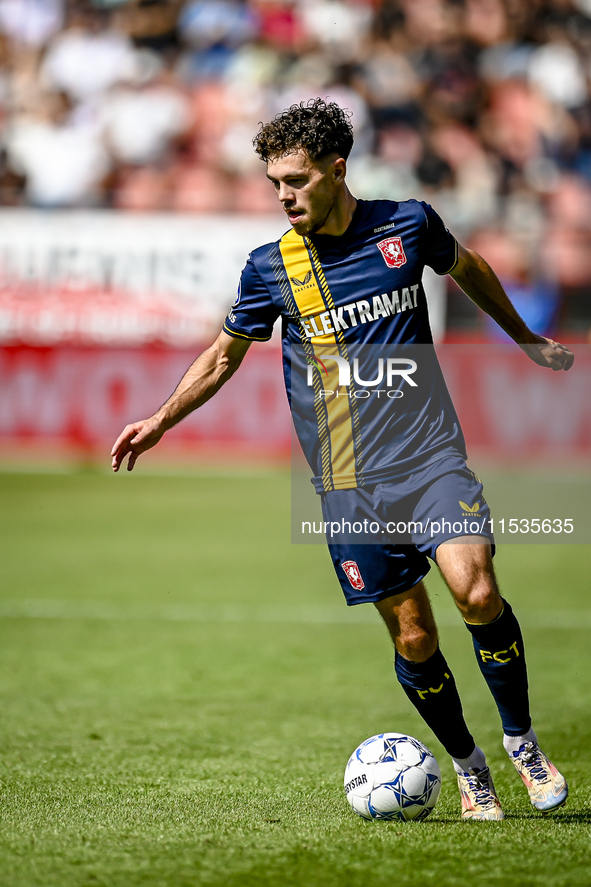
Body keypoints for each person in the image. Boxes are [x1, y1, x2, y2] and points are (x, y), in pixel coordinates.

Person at [111, 99, 574, 820]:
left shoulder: (406, 224)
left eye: (294, 180)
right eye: (273, 183)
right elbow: (223, 354)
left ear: (335, 170)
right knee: (414, 635)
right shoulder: (270, 267)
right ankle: (468, 767)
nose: (282, 195)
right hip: (347, 485)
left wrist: (521, 336)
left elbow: (468, 266)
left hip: (429, 460)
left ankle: (520, 741)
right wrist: (161, 419)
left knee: (477, 592)